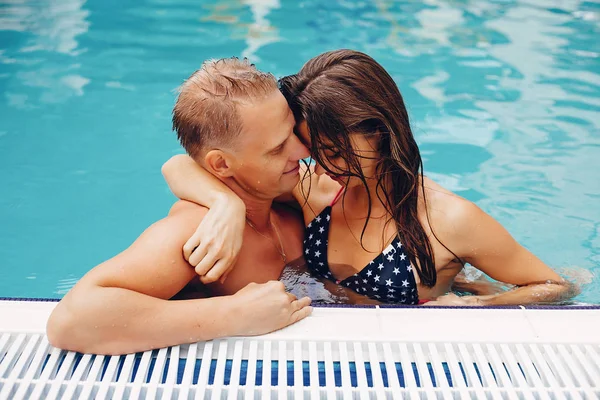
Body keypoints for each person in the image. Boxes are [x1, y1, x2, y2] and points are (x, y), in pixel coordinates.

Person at [162, 49, 579, 306]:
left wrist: (480, 307)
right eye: (309, 144)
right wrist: (226, 205)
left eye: (333, 150)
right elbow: (179, 164)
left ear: (379, 132)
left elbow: (555, 286)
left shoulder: (450, 220)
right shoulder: (316, 190)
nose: (316, 162)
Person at [46, 58, 314, 356]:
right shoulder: (199, 234)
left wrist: (227, 202)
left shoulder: (287, 196)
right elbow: (71, 321)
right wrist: (232, 314)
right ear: (222, 164)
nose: (302, 151)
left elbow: (177, 165)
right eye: (277, 148)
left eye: (292, 132)